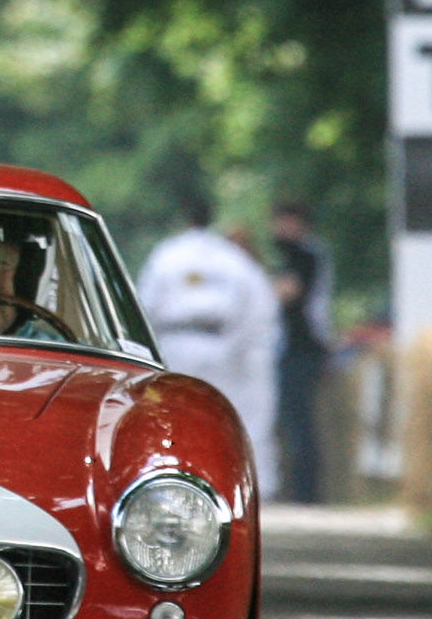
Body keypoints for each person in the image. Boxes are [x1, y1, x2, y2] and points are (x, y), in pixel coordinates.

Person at [136, 192, 280, 473]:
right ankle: (222, 473)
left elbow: (145, 303)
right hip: (219, 344)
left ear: (183, 219)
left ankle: (178, 470)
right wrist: (238, 347)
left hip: (174, 344)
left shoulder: (166, 254)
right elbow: (258, 305)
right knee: (222, 413)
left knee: (175, 412)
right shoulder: (231, 257)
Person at [267, 200, 336, 504]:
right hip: (296, 347)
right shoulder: (301, 254)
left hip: (301, 347)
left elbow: (287, 294)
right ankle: (301, 491)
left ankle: (305, 493)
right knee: (297, 421)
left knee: (299, 423)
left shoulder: (303, 255)